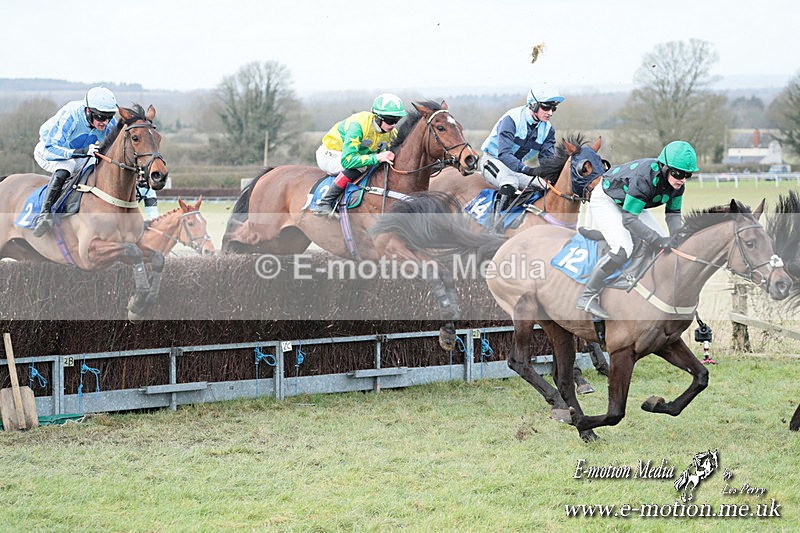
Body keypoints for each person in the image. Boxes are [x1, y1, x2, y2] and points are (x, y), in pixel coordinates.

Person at [576, 140, 700, 319]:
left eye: (687, 175)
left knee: (665, 244)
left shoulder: (678, 185)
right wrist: (658, 239)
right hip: (607, 200)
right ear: (664, 167)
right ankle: (587, 295)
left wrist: (678, 240)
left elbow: (673, 216)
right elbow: (628, 219)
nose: (681, 179)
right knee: (623, 249)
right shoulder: (645, 178)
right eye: (678, 173)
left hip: (629, 204)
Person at [32, 86, 118, 237]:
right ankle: (44, 215)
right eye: (100, 117)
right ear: (88, 111)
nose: (105, 122)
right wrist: (80, 152)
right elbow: (50, 149)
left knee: (96, 168)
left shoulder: (109, 124)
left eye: (109, 117)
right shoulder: (71, 114)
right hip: (48, 151)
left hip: (81, 154)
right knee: (68, 164)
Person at [312, 93, 407, 215]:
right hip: (331, 154)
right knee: (361, 166)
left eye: (397, 120)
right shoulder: (357, 126)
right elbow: (348, 161)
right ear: (377, 117)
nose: (393, 125)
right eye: (390, 120)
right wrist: (377, 157)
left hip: (353, 156)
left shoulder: (391, 132)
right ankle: (325, 202)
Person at [479, 84, 564, 211]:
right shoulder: (512, 119)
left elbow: (548, 159)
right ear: (533, 104)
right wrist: (527, 169)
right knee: (510, 183)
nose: (550, 113)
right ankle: (493, 226)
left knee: (544, 186)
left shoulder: (548, 129)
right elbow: (504, 154)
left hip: (517, 168)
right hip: (493, 160)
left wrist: (551, 173)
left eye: (553, 108)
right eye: (546, 107)